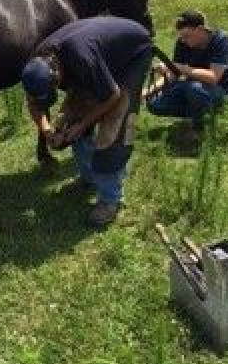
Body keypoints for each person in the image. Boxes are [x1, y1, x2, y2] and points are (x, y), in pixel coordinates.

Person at [21, 16, 152, 227]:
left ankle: (110, 199)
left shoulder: (81, 58)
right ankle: (89, 178)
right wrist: (46, 130)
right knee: (70, 123)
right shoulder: (36, 66)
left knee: (113, 128)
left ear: (57, 75)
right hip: (98, 58)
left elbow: (113, 96)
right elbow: (34, 104)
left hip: (131, 56)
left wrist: (83, 124)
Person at [145, 10, 228, 136]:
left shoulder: (222, 40)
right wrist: (148, 91)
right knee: (154, 104)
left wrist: (182, 68)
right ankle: (201, 113)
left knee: (194, 89)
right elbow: (173, 74)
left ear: (200, 29)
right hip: (192, 87)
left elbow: (213, 77)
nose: (183, 40)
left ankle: (199, 127)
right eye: (181, 37)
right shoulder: (182, 43)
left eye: (187, 36)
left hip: (222, 89)